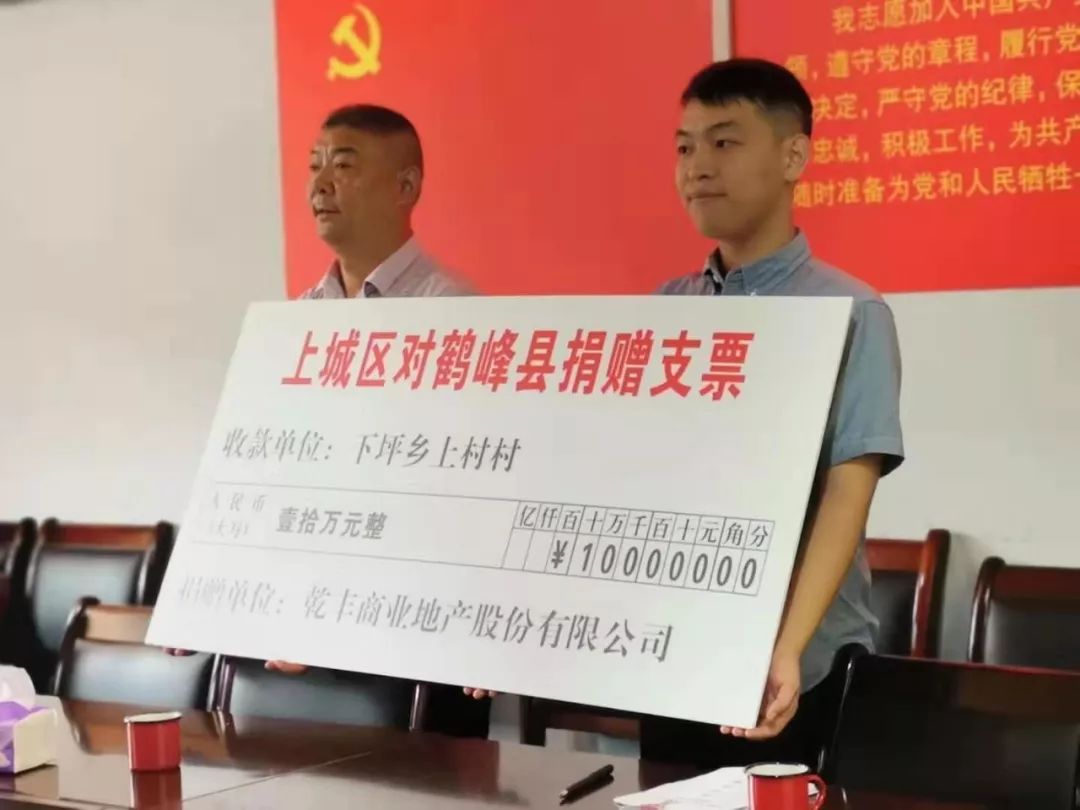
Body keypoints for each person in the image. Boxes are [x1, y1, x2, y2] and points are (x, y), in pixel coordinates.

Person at [468, 58, 904, 768]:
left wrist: (785, 646)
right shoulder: (668, 310)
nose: (697, 166)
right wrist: (517, 624)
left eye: (724, 142)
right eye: (683, 147)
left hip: (797, 667)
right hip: (675, 652)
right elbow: (618, 483)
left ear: (793, 157)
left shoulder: (851, 310)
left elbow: (846, 493)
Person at [173, 103, 484, 736]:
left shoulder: (456, 314)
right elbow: (266, 475)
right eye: (314, 165)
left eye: (343, 166)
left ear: (406, 186)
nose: (319, 184)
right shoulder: (295, 322)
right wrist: (208, 594)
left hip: (406, 639)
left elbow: (457, 497)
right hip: (294, 637)